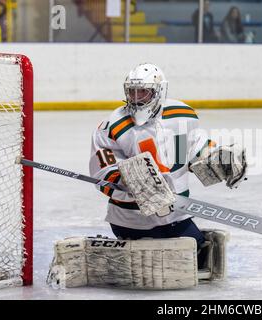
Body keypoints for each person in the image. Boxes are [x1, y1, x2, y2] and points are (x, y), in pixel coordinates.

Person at [89, 63, 247, 267]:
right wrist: (131, 183)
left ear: (159, 91)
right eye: (132, 92)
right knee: (147, 266)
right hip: (130, 218)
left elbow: (192, 150)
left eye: (143, 92)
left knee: (196, 260)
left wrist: (219, 160)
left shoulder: (182, 115)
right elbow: (102, 171)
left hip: (176, 215)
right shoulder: (112, 125)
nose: (136, 98)